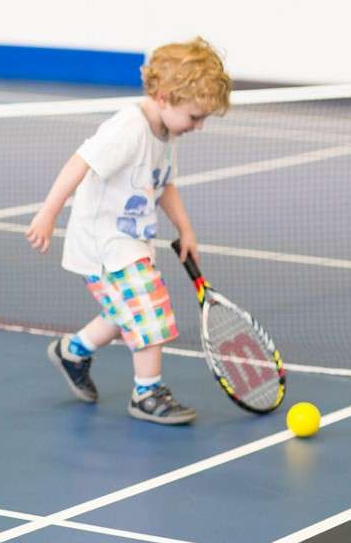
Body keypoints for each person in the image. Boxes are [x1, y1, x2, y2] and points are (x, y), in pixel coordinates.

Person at [25, 38, 231, 425]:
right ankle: (146, 392)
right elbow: (79, 162)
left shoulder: (166, 133)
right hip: (104, 244)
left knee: (125, 314)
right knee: (149, 310)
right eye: (195, 116)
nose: (199, 126)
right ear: (166, 97)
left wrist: (185, 229)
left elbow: (164, 184)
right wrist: (48, 213)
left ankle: (73, 351)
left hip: (132, 239)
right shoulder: (128, 127)